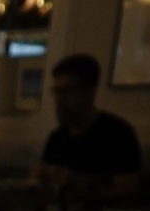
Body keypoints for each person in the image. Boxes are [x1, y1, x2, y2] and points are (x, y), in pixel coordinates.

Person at [34, 53, 142, 203]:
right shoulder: (57, 138)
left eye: (68, 91)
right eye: (56, 91)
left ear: (90, 92)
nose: (59, 100)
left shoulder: (118, 134)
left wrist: (83, 185)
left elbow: (129, 192)